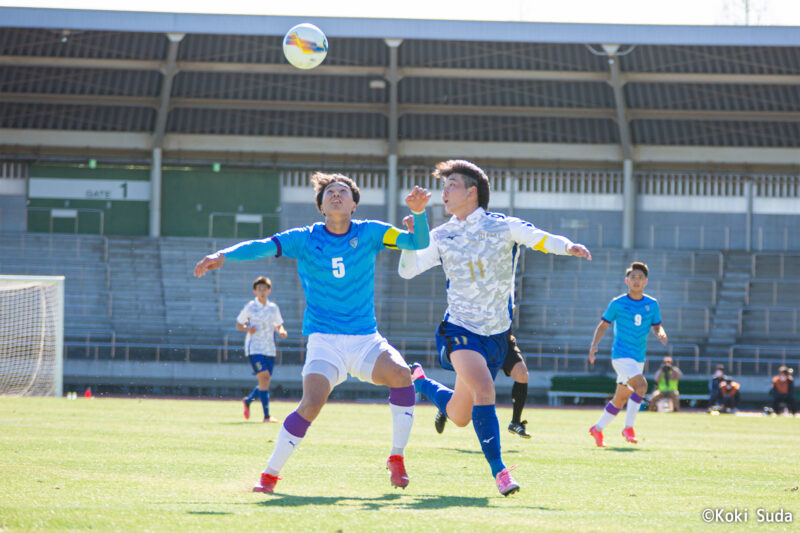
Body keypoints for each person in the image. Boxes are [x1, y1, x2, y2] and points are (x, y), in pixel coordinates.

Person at [195, 172, 431, 494]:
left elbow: (418, 243)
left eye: (343, 191)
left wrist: (419, 213)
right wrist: (223, 255)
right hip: (324, 341)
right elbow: (262, 246)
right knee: (311, 404)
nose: (336, 194)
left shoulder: (372, 232)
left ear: (354, 204)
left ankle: (396, 457)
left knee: (402, 375)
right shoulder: (305, 238)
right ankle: (269, 476)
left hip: (365, 340)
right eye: (329, 192)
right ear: (320, 206)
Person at [398, 159, 591, 496]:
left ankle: (421, 382)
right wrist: (412, 233)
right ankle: (500, 472)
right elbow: (408, 271)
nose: (444, 192)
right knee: (485, 389)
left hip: (497, 335)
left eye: (452, 185)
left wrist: (567, 246)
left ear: (473, 192)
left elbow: (538, 238)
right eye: (443, 186)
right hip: (458, 330)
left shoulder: (502, 226)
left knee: (459, 415)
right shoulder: (441, 234)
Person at [400, 215, 531, 439]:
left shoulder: (504, 260)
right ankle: (498, 467)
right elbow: (410, 269)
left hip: (501, 334)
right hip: (470, 334)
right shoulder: (467, 262)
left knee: (520, 374)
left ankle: (516, 422)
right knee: (470, 404)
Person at [588, 261, 668, 447]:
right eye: (633, 277)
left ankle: (597, 429)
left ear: (645, 281)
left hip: (638, 357)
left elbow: (657, 326)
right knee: (641, 386)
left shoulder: (652, 304)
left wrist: (661, 333)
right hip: (621, 356)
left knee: (621, 398)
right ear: (627, 280)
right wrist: (594, 345)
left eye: (640, 278)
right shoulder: (617, 303)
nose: (636, 281)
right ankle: (628, 428)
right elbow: (603, 325)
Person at [434, 334, 532, 439]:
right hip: (479, 342)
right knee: (473, 394)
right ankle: (447, 405)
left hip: (502, 340)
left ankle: (515, 422)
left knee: (522, 374)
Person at [237, 276, 288, 423]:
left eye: (264, 289)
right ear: (255, 292)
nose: (262, 292)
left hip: (269, 349)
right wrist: (247, 329)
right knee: (264, 378)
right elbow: (239, 324)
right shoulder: (250, 307)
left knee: (264, 382)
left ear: (269, 291)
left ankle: (248, 401)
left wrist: (282, 331)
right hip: (254, 348)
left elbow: (279, 324)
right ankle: (266, 416)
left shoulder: (273, 308)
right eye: (259, 289)